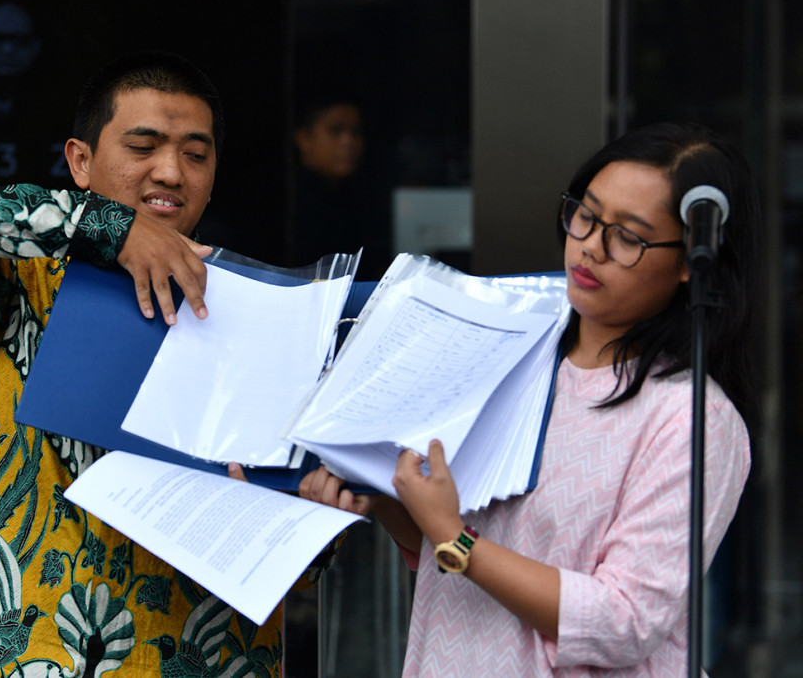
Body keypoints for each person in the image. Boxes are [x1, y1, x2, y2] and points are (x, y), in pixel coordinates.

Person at [0, 50, 315, 678]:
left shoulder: (266, 311)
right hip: (33, 653)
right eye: (143, 146)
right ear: (80, 162)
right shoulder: (25, 277)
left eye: (196, 155)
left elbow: (303, 515)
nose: (170, 171)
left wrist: (309, 507)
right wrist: (106, 226)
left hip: (217, 656)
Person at [298, 121, 759, 676]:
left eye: (628, 237)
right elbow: (443, 560)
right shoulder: (514, 352)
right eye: (585, 215)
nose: (591, 245)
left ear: (691, 263)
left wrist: (456, 539)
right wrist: (384, 494)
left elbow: (624, 621)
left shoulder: (691, 417)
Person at [290, 91, 391, 281]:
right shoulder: (291, 204)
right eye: (336, 130)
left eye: (356, 132)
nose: (348, 141)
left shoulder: (358, 200)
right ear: (304, 138)